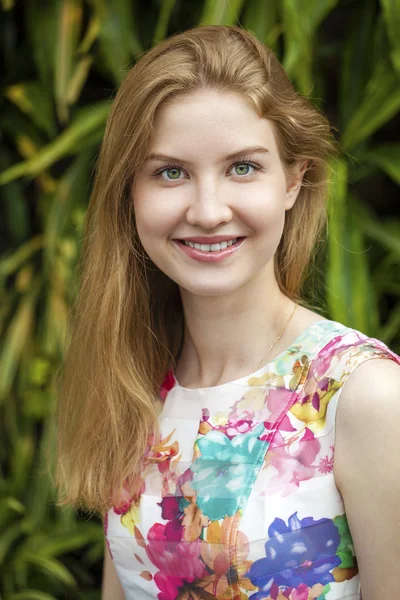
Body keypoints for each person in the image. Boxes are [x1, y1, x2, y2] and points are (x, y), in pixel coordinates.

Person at [53, 24, 400, 600]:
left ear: (294, 179)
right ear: (129, 193)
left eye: (242, 167)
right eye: (170, 172)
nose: (209, 211)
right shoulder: (136, 381)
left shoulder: (366, 398)